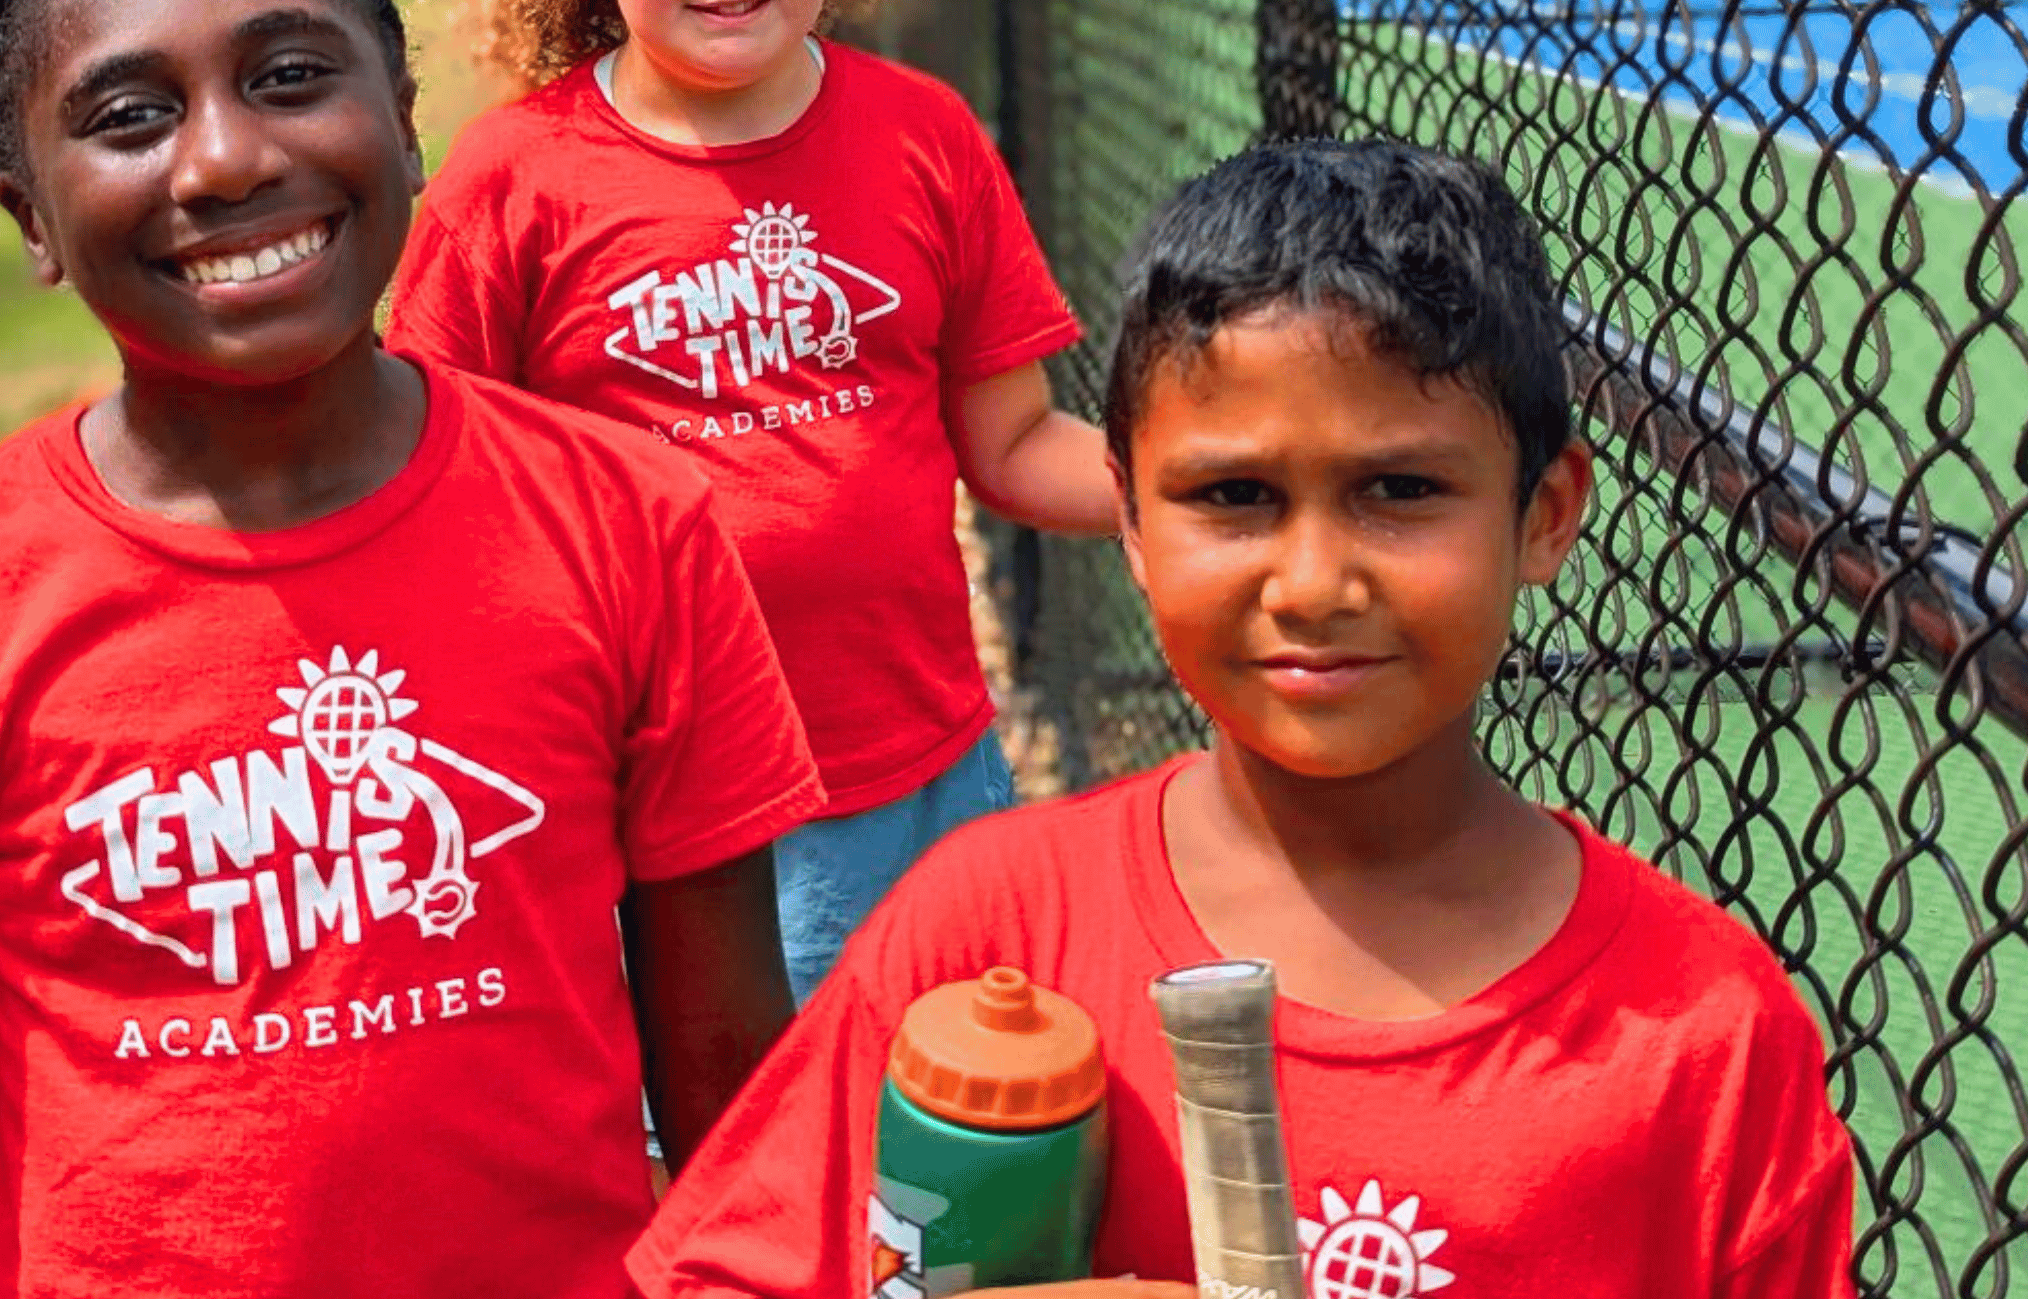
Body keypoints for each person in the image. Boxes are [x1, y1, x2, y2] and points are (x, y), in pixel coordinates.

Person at [0, 0, 824, 1298]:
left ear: (411, 124)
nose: (227, 158)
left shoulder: (627, 521)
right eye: (129, 117)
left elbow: (739, 1089)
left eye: (292, 77)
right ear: (31, 218)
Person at [630, 138, 1857, 1298]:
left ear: (1543, 515)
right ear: (1128, 521)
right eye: (1233, 496)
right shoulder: (990, 929)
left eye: (1400, 490)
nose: (1315, 582)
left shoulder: (1700, 1037)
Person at [387, 0, 1120, 1004]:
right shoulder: (513, 182)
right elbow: (439, 491)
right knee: (732, 1157)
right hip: (666, 797)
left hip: (919, 765)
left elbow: (1013, 443)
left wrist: (1182, 493)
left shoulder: (924, 137)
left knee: (948, 1127)